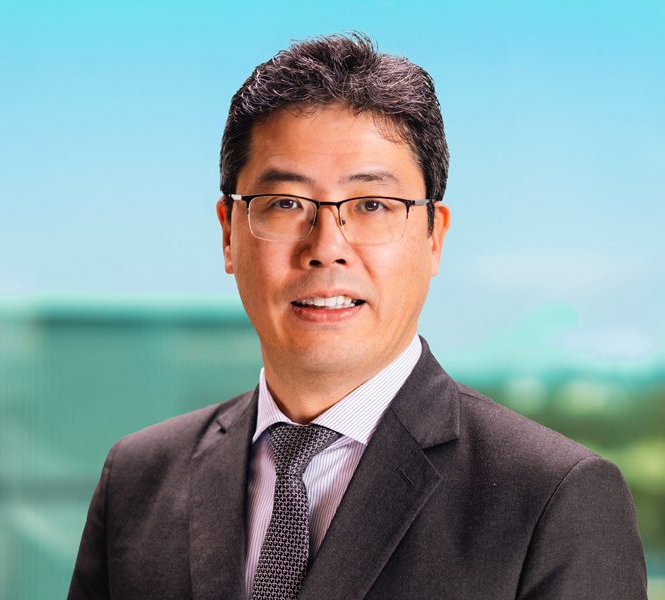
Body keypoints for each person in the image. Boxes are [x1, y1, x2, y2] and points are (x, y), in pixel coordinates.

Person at [68, 33, 647, 599]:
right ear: (227, 233)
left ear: (433, 237)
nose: (326, 246)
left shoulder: (553, 497)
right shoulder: (138, 479)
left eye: (372, 205)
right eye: (286, 204)